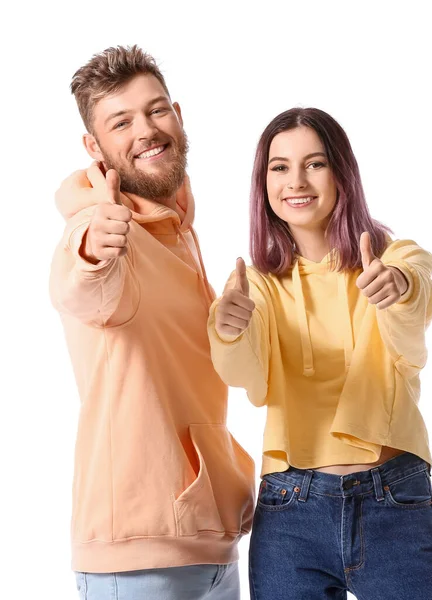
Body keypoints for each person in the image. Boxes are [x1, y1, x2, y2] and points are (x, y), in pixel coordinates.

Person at [208, 108, 432, 600]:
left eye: (314, 163)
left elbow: (416, 306)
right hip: (290, 513)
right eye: (279, 167)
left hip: (394, 500)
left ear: (341, 171)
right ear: (264, 183)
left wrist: (398, 286)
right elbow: (248, 378)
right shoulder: (256, 285)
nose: (295, 181)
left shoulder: (393, 257)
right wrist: (228, 328)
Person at [49, 45, 254, 600]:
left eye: (156, 110)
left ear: (178, 115)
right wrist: (96, 248)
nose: (147, 130)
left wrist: (230, 328)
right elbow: (79, 285)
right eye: (121, 122)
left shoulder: (178, 230)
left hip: (209, 546)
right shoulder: (101, 225)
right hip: (138, 561)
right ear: (95, 148)